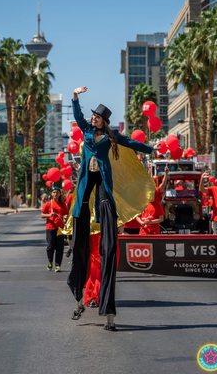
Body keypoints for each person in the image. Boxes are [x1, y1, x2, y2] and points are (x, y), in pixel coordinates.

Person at [67, 86, 155, 331]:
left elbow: (129, 142)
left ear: (104, 121)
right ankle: (79, 293)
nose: (93, 118)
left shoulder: (110, 136)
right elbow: (77, 116)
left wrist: (151, 149)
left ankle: (109, 313)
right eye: (93, 115)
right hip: (87, 183)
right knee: (82, 208)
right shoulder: (85, 130)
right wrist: (75, 96)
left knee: (106, 206)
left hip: (103, 183)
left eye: (97, 116)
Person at [41, 186, 68, 272]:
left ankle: (57, 265)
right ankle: (50, 262)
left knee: (60, 248)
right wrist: (49, 215)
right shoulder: (48, 204)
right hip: (50, 228)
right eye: (54, 192)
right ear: (51, 194)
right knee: (50, 246)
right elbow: (42, 215)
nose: (55, 194)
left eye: (57, 192)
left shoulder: (63, 204)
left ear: (60, 194)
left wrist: (65, 217)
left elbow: (66, 214)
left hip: (60, 228)